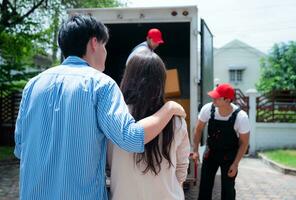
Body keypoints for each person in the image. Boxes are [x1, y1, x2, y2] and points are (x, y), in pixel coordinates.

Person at [14, 15, 186, 200]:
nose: (105, 52)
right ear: (94, 43)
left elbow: (20, 148)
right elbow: (131, 138)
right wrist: (169, 109)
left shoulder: (32, 85)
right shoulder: (101, 84)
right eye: (105, 46)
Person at [107, 51, 190, 200]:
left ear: (128, 78)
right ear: (161, 82)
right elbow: (182, 167)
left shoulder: (114, 117)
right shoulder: (176, 120)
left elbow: (107, 166)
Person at [192, 83, 250, 200]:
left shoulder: (241, 117)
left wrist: (235, 164)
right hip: (211, 153)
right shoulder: (207, 109)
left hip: (229, 156)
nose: (213, 98)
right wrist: (195, 151)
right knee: (204, 188)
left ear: (227, 100)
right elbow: (198, 129)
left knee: (228, 191)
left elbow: (244, 143)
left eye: (217, 97)